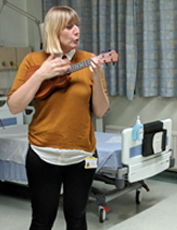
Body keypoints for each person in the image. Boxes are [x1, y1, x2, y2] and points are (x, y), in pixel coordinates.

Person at [7, 6, 109, 230]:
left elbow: (100, 111)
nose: (77, 31)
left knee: (77, 218)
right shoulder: (32, 60)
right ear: (54, 31)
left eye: (77, 26)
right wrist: (42, 74)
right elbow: (14, 107)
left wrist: (97, 78)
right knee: (42, 220)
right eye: (69, 26)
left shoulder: (89, 60)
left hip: (82, 155)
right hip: (43, 154)